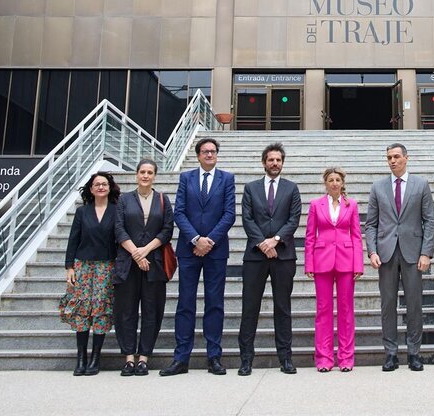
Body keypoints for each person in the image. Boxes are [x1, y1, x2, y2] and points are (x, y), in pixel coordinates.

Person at [162, 137, 236, 376]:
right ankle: (181, 358)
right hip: (189, 250)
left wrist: (209, 241)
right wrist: (196, 239)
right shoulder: (186, 178)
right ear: (198, 155)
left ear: (217, 154)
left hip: (216, 250)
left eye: (213, 151)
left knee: (215, 304)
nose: (209, 154)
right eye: (205, 151)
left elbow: (229, 214)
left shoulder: (227, 179)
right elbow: (179, 212)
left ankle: (214, 357)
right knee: (185, 303)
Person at [366, 142, 434, 372]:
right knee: (388, 305)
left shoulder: (421, 184)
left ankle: (414, 353)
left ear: (406, 158)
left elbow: (430, 220)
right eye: (389, 157)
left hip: (413, 253)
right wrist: (372, 251)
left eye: (396, 156)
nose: (392, 161)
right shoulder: (378, 187)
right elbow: (371, 224)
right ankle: (391, 354)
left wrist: (426, 252)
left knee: (414, 304)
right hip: (386, 253)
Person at [237, 143, 302, 376]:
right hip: (255, 256)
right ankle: (246, 359)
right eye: (271, 160)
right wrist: (262, 244)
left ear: (282, 163)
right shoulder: (251, 188)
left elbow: (294, 219)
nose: (275, 163)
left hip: (283, 255)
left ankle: (285, 358)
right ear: (264, 162)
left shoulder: (292, 188)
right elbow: (247, 219)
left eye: (278, 160)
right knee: (249, 307)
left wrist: (274, 240)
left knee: (282, 307)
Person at [113, 158, 174, 376]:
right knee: (126, 311)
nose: (145, 176)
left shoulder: (163, 199)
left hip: (154, 263)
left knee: (152, 311)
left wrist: (145, 250)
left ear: (155, 176)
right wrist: (136, 253)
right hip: (127, 264)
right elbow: (119, 229)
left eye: (150, 172)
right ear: (136, 174)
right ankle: (129, 358)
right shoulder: (124, 199)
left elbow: (167, 230)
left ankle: (144, 358)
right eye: (142, 172)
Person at [304, 167, 364, 372]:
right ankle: (324, 359)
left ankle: (346, 358)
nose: (335, 183)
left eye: (338, 180)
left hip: (346, 261)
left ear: (342, 183)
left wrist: (358, 264)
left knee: (346, 310)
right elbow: (310, 236)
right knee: (323, 310)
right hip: (322, 261)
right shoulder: (316, 204)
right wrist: (309, 263)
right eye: (331, 180)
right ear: (326, 183)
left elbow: (356, 236)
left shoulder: (351, 204)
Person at [62, 171, 121, 376]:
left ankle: (96, 358)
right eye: (97, 184)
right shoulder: (82, 212)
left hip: (107, 266)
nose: (101, 187)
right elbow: (73, 239)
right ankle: (81, 358)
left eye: (104, 184)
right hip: (83, 266)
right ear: (91, 188)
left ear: (110, 188)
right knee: (82, 309)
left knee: (100, 309)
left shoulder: (116, 211)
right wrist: (69, 267)